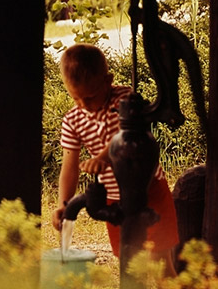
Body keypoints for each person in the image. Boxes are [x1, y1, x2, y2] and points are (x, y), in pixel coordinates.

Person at [52, 44, 179, 268]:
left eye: (90, 97)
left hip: (150, 190)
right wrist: (65, 203)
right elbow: (69, 168)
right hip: (113, 198)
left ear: (107, 80)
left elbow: (126, 135)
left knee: (161, 265)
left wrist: (102, 157)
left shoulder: (125, 99)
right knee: (128, 265)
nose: (84, 105)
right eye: (76, 98)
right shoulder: (72, 120)